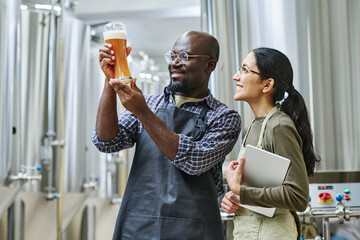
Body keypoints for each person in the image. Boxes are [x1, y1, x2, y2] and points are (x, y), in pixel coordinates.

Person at [92, 31, 241, 239]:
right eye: (172, 56)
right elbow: (106, 142)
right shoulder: (151, 103)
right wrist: (111, 83)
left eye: (185, 57)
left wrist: (142, 112)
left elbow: (193, 162)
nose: (175, 63)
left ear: (210, 65)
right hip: (138, 227)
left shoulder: (224, 117)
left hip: (194, 230)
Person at [221, 47, 320, 240]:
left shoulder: (279, 126)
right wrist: (235, 199)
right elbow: (261, 189)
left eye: (244, 69)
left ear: (267, 85)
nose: (235, 76)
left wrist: (239, 190)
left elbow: (298, 197)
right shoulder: (253, 125)